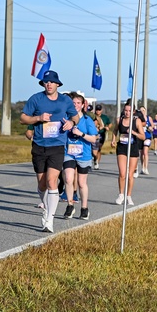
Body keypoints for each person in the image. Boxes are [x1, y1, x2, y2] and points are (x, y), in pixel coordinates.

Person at [20, 70, 79, 233]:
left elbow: (76, 117)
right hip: (39, 145)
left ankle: (49, 220)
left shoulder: (65, 100)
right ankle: (46, 207)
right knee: (42, 184)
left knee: (52, 181)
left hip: (57, 146)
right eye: (46, 82)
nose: (49, 84)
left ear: (58, 84)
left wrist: (71, 123)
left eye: (52, 82)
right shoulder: (36, 99)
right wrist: (38, 118)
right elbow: (23, 118)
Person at [62, 92, 99, 220]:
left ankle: (84, 208)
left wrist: (81, 134)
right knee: (68, 178)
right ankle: (70, 205)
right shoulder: (66, 117)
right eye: (74, 103)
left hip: (84, 155)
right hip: (69, 153)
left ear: (83, 105)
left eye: (78, 103)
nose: (76, 105)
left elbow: (94, 139)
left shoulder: (87, 120)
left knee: (81, 182)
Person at [114, 100, 146, 206]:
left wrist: (133, 132)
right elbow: (115, 130)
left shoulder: (136, 121)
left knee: (130, 175)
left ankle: (129, 196)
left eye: (129, 111)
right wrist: (113, 139)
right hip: (122, 147)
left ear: (133, 112)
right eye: (126, 110)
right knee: (122, 173)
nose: (127, 112)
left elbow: (143, 136)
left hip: (132, 148)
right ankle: (120, 194)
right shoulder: (119, 120)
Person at [93, 103, 110, 169]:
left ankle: (97, 162)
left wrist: (107, 127)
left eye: (99, 110)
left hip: (101, 134)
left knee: (99, 149)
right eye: (97, 110)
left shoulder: (104, 117)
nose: (98, 111)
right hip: (93, 134)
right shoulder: (92, 116)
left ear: (101, 110)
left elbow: (110, 124)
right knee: (93, 150)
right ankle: (95, 158)